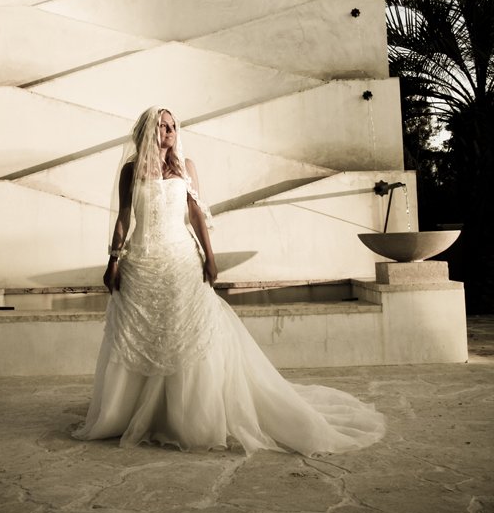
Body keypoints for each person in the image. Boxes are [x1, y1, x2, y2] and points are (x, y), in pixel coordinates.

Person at [73, 106, 385, 455]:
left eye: (172, 126)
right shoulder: (131, 171)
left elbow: (195, 214)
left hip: (180, 259)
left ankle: (187, 418)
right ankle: (136, 414)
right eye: (161, 126)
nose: (169, 131)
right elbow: (124, 217)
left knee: (183, 334)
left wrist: (210, 257)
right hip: (142, 263)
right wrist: (113, 260)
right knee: (143, 338)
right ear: (147, 130)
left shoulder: (185, 166)